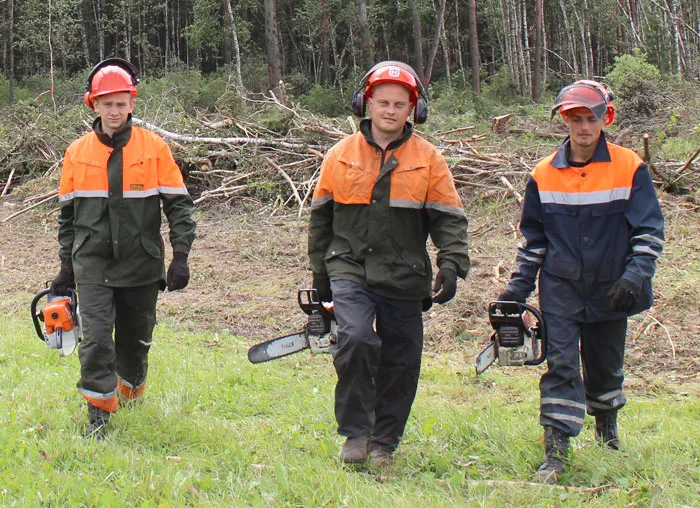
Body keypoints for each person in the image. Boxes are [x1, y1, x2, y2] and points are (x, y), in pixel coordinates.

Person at [498, 80, 664, 483]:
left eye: (591, 118)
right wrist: (516, 291)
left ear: (605, 118)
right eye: (576, 118)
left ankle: (607, 433)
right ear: (565, 121)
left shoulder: (629, 167)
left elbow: (649, 232)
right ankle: (555, 453)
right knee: (562, 367)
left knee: (605, 367)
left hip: (613, 287)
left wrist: (634, 277)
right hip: (561, 288)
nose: (584, 127)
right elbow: (534, 240)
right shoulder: (543, 173)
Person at [308, 61, 470, 465]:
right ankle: (355, 434)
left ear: (414, 109)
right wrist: (319, 272)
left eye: (401, 104)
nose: (391, 110)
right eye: (383, 102)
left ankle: (385, 442)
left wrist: (451, 264)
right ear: (366, 103)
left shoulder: (429, 159)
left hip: (405, 271)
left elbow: (448, 217)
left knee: (402, 357)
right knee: (357, 339)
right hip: (349, 266)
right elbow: (321, 218)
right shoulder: (340, 155)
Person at [50, 58, 196, 438]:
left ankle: (131, 389)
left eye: (121, 103)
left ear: (132, 103)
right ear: (93, 105)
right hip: (92, 261)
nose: (114, 111)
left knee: (135, 342)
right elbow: (67, 219)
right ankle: (99, 412)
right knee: (96, 339)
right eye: (107, 103)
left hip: (141, 261)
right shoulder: (76, 152)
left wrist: (181, 256)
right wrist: (66, 270)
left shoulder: (154, 148)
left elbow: (178, 206)